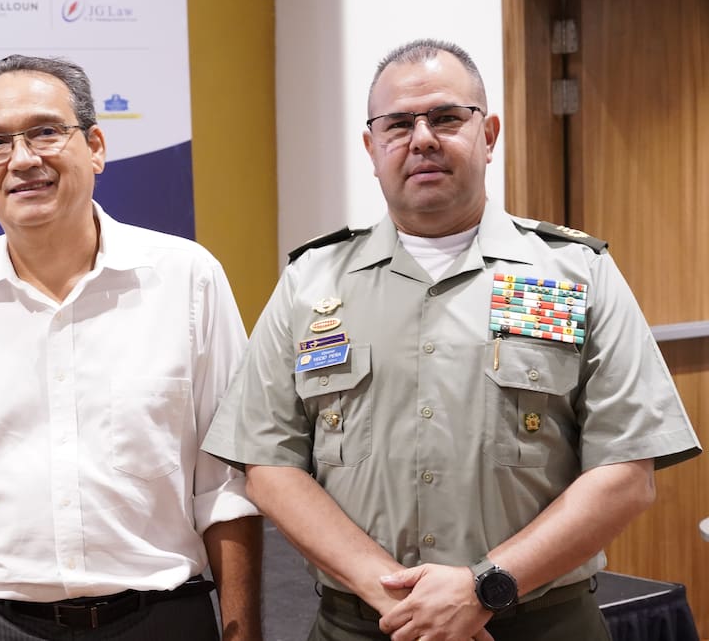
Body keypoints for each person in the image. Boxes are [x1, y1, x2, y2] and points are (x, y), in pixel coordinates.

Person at [202, 38, 701, 641]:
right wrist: (398, 596)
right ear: (372, 146)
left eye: (445, 117)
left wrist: (486, 585)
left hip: (538, 623)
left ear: (488, 134)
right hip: (361, 625)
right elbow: (268, 463)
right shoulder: (311, 282)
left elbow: (626, 470)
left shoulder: (575, 273)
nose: (422, 139)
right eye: (397, 124)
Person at [0, 55, 264, 641]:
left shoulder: (188, 280)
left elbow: (227, 487)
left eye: (45, 132)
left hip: (163, 618)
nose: (23, 159)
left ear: (96, 147)